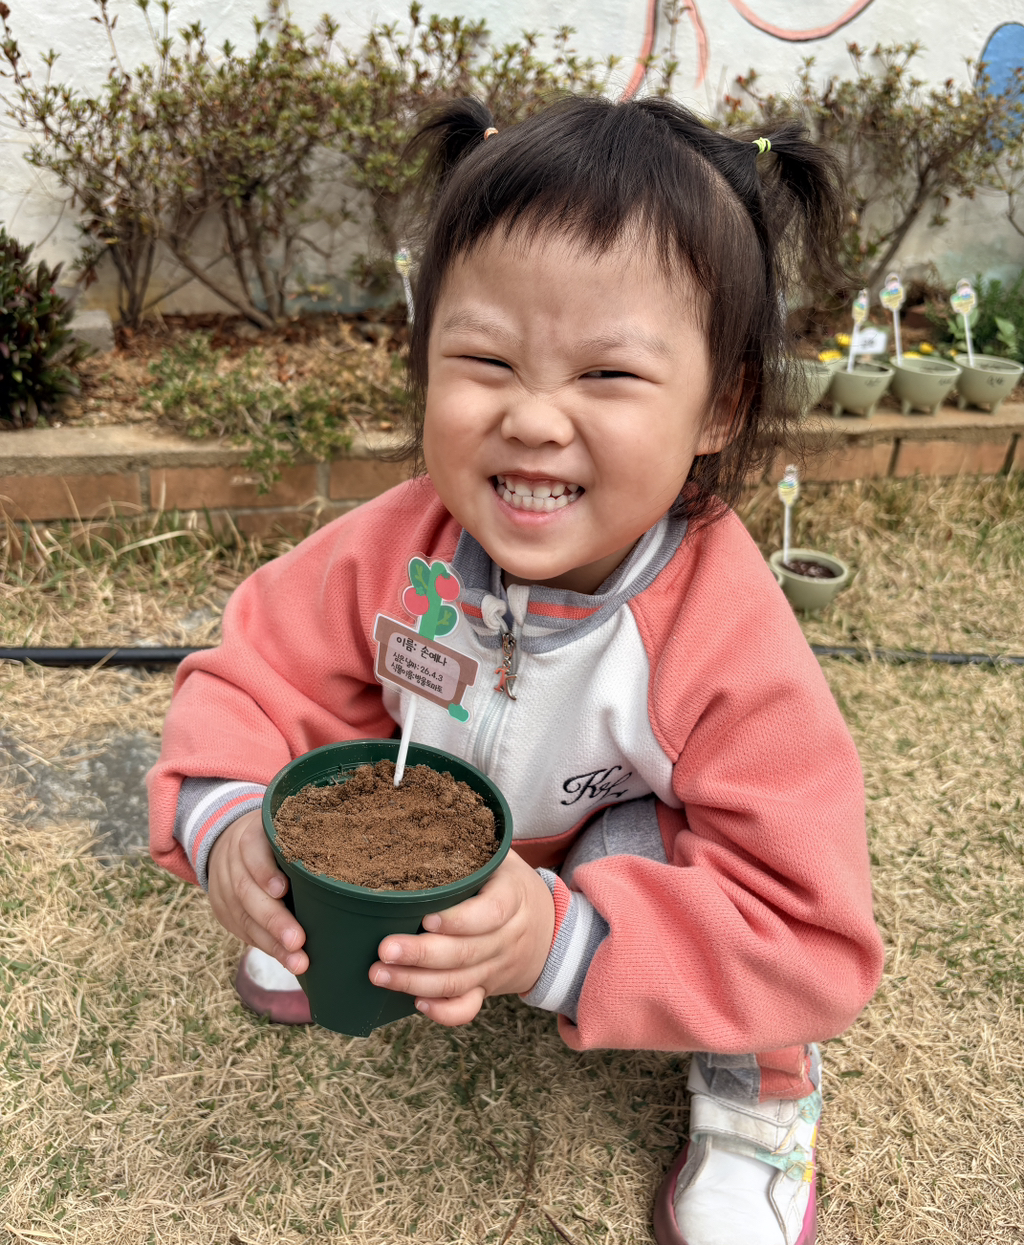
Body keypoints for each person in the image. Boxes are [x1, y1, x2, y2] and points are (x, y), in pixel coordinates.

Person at [147, 95, 884, 1245]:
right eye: (485, 359)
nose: (534, 419)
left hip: (613, 861)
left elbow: (804, 926)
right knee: (321, 754)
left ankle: (760, 1107)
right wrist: (230, 827)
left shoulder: (723, 634)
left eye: (608, 375)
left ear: (720, 404)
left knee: (710, 911)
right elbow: (252, 674)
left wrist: (557, 941)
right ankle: (330, 932)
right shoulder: (397, 548)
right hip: (433, 833)